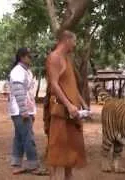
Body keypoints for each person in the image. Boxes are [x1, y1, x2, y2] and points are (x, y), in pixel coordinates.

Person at [45, 30, 88, 180]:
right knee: (56, 147)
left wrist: (82, 104)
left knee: (72, 147)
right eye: (74, 42)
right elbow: (54, 84)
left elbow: (72, 85)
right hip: (60, 110)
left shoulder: (67, 59)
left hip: (73, 112)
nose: (75, 45)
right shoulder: (54, 58)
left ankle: (68, 177)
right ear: (67, 40)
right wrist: (69, 105)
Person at [8, 47, 40, 174]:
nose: (31, 59)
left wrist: (31, 110)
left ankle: (16, 163)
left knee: (19, 137)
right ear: (22, 57)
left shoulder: (26, 71)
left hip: (25, 109)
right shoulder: (17, 71)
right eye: (29, 56)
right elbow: (19, 91)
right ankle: (33, 165)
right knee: (28, 137)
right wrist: (24, 110)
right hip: (20, 110)